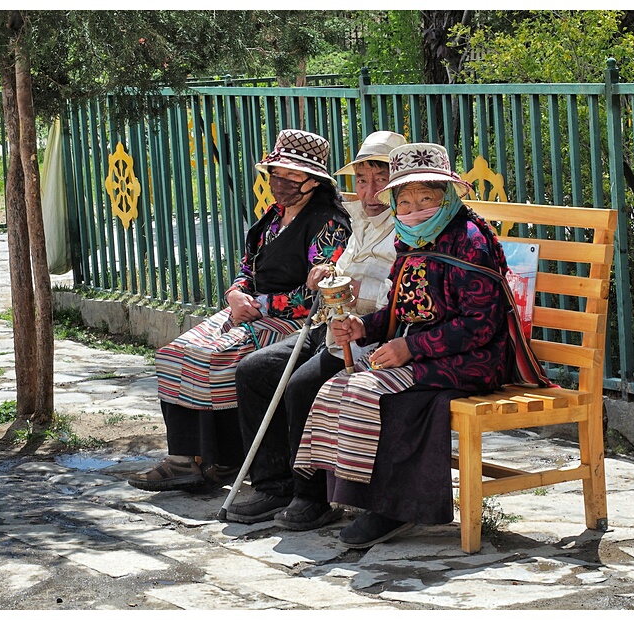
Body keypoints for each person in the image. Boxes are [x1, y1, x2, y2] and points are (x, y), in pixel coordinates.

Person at [293, 142, 517, 548]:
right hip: (429, 353)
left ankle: (393, 509)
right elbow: (402, 310)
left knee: (376, 394)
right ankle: (356, 499)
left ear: (446, 197)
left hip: (477, 360)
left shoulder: (469, 240)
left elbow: (481, 325)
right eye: (406, 200)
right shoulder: (409, 241)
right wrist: (363, 326)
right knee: (336, 389)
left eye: (427, 198)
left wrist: (411, 350)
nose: (416, 210)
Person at [128, 129, 351, 492]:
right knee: (175, 353)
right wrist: (235, 293)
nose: (282, 181)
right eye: (277, 173)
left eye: (293, 175)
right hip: (246, 309)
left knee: (213, 357)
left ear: (313, 181)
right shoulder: (272, 218)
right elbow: (248, 268)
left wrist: (263, 304)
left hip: (292, 320)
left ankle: (222, 459)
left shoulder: (328, 224)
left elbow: (320, 293)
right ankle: (186, 458)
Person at [224, 131, 407, 526]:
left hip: (369, 335)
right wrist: (328, 273)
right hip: (329, 328)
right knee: (254, 371)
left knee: (301, 384)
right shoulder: (358, 217)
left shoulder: (405, 221)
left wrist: (356, 288)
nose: (370, 190)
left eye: (381, 179)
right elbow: (340, 272)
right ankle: (274, 487)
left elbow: (404, 289)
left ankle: (313, 497)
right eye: (362, 180)